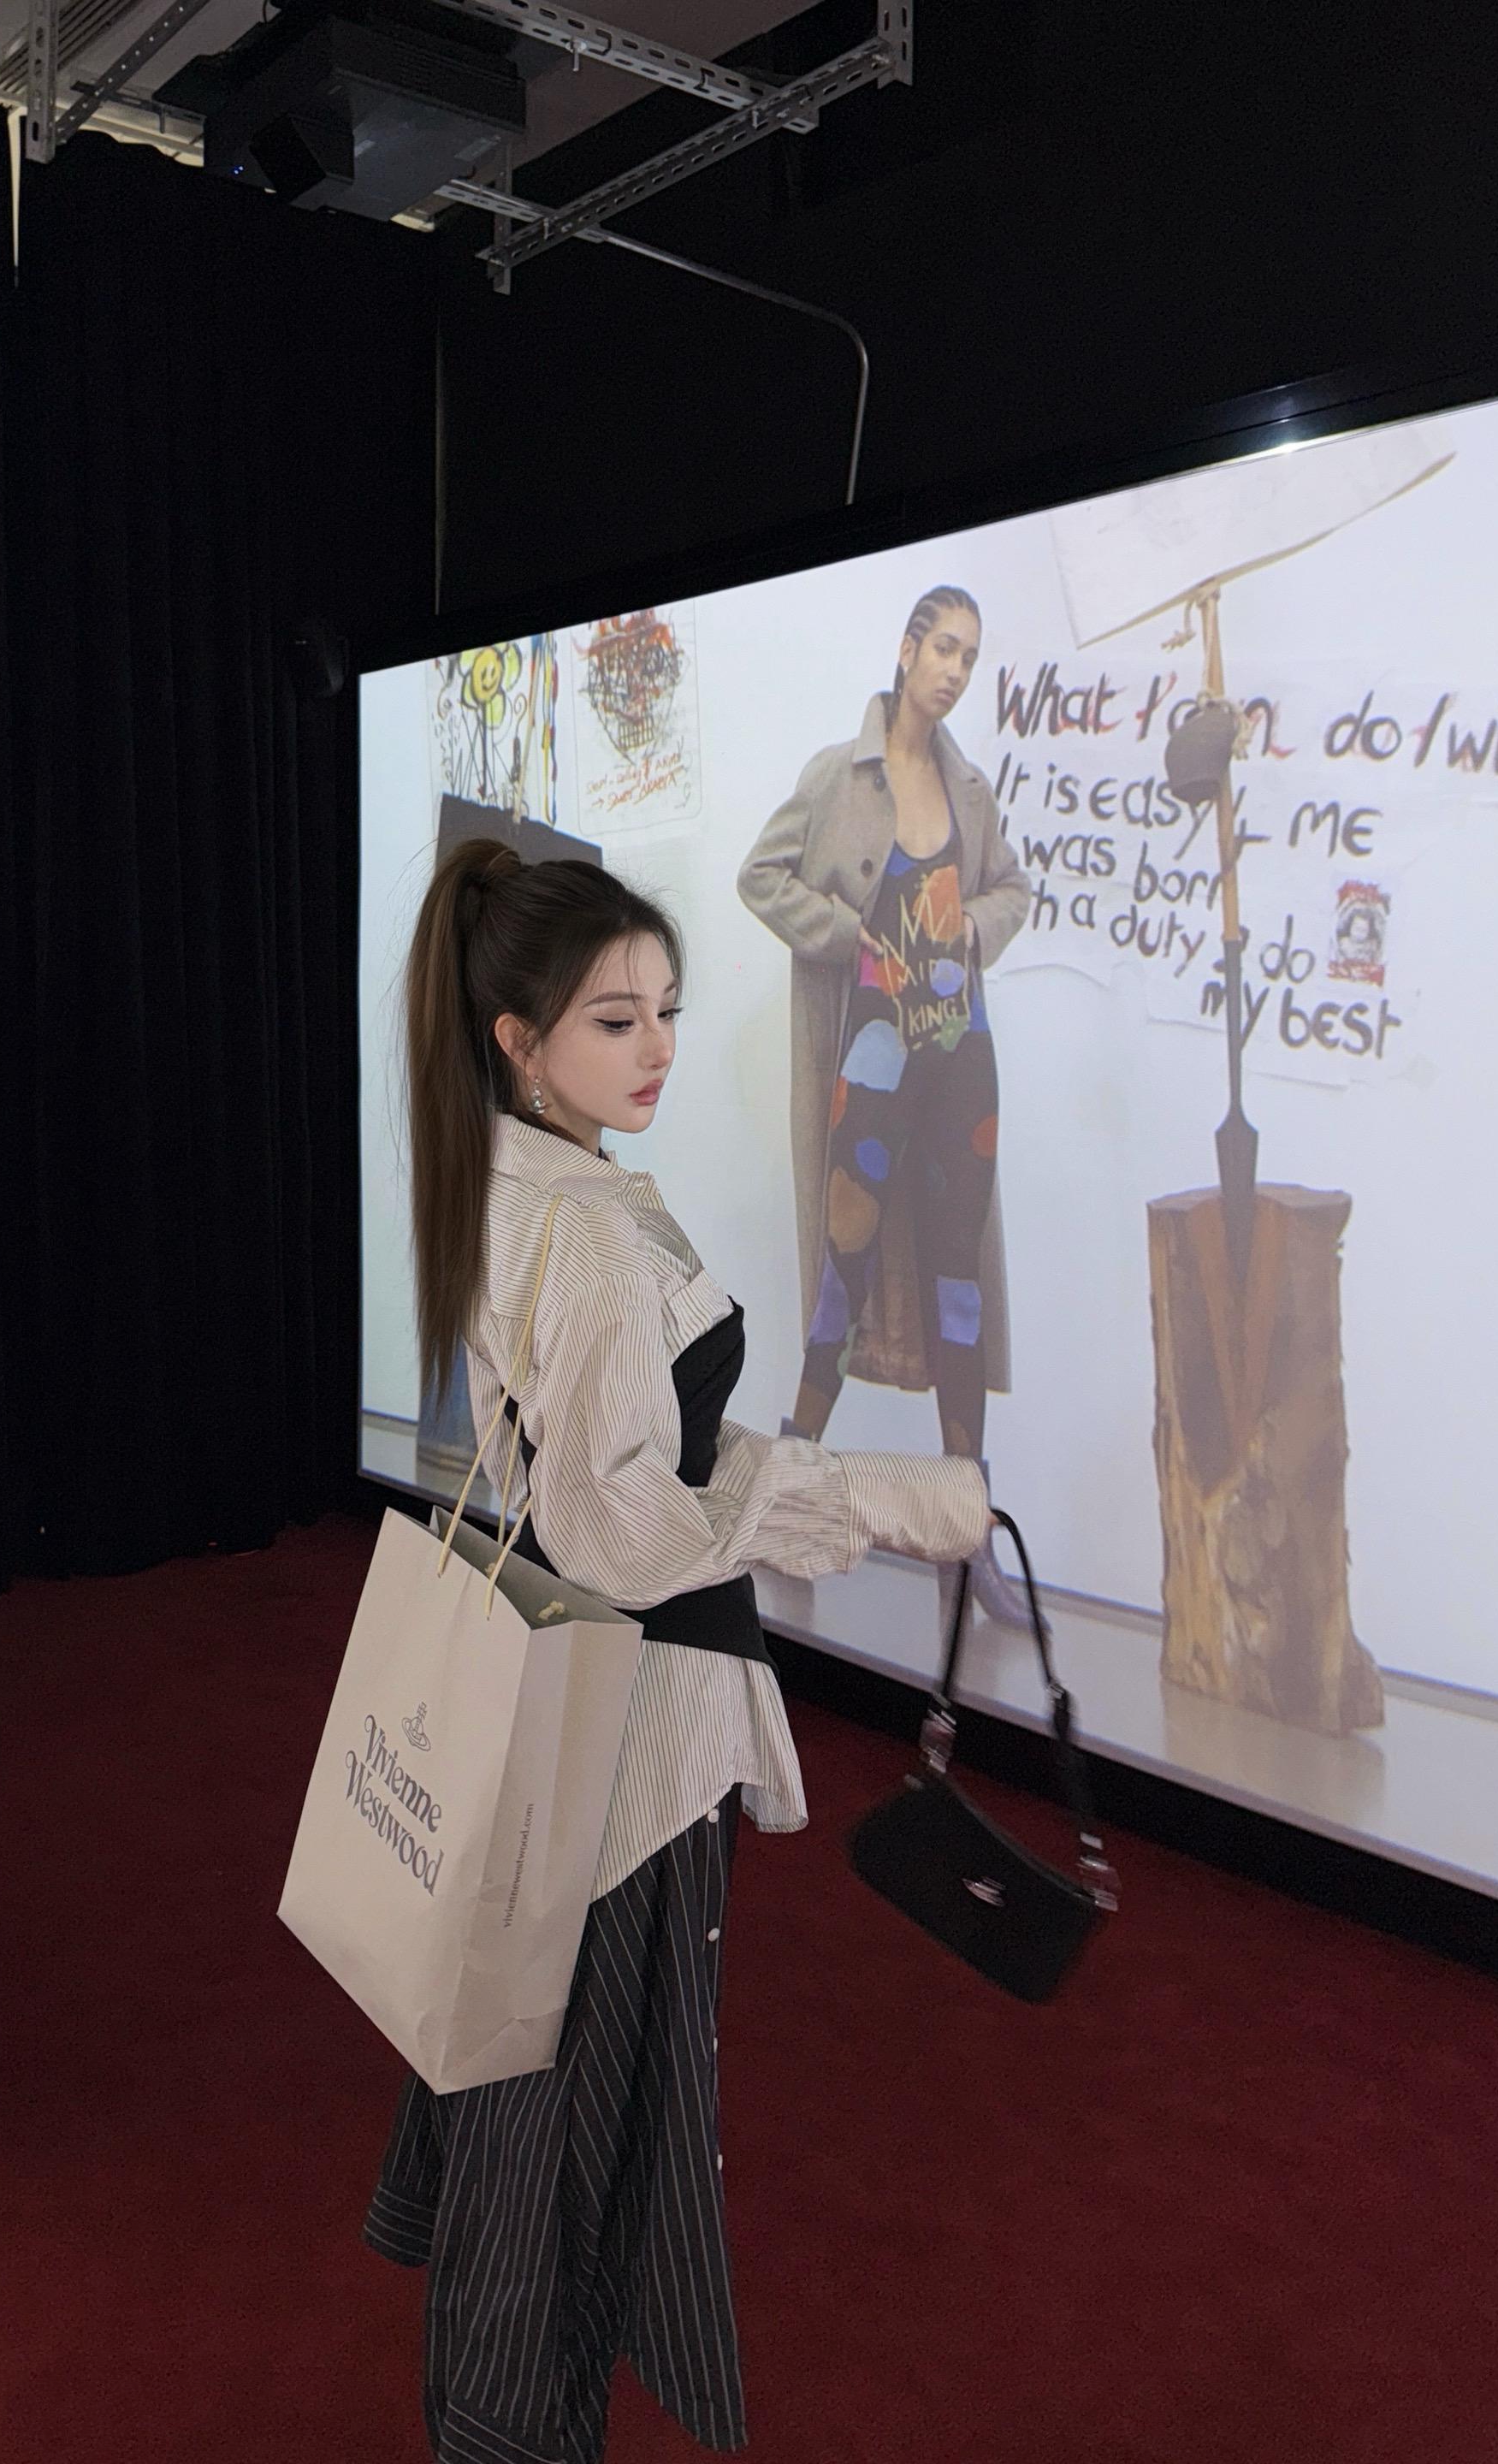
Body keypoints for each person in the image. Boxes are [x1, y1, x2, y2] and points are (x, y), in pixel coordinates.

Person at [368, 836, 994, 2464]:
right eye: (614, 1020)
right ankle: (514, 2433)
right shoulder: (577, 1224)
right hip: (626, 1733)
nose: (655, 1048)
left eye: (665, 1011)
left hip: (573, 1706)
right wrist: (884, 1500)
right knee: (573, 2128)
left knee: (529, 2098)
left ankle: (495, 2422)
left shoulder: (511, 1173)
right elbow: (627, 1531)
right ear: (519, 1039)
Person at [737, 585, 1034, 1626]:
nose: (954, 670)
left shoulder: (972, 790)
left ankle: (967, 1535)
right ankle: (786, 1498)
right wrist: (850, 936)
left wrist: (974, 929)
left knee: (961, 1286)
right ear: (907, 651)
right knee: (843, 1272)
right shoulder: (839, 776)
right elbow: (759, 875)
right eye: (943, 648)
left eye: (970, 655)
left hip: (960, 1062)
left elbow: (1013, 890)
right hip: (872, 1059)